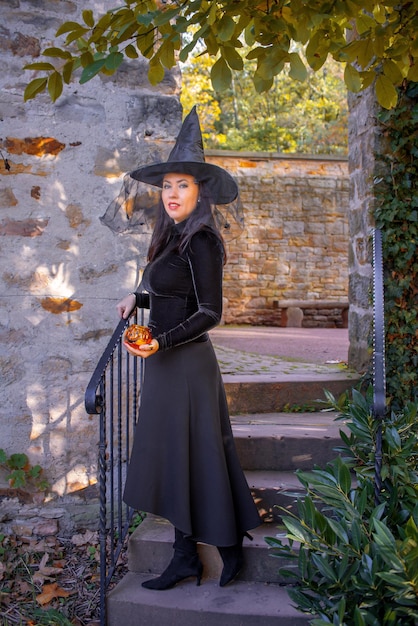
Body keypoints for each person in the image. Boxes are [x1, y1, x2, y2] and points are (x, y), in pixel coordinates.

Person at [116, 106, 261, 591]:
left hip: (187, 364)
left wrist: (159, 340)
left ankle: (227, 549)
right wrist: (136, 298)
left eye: (182, 185)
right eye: (168, 185)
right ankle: (184, 558)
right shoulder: (171, 237)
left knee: (200, 455)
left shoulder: (202, 240)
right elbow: (172, 293)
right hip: (163, 364)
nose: (172, 194)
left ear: (200, 192)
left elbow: (209, 313)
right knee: (175, 458)